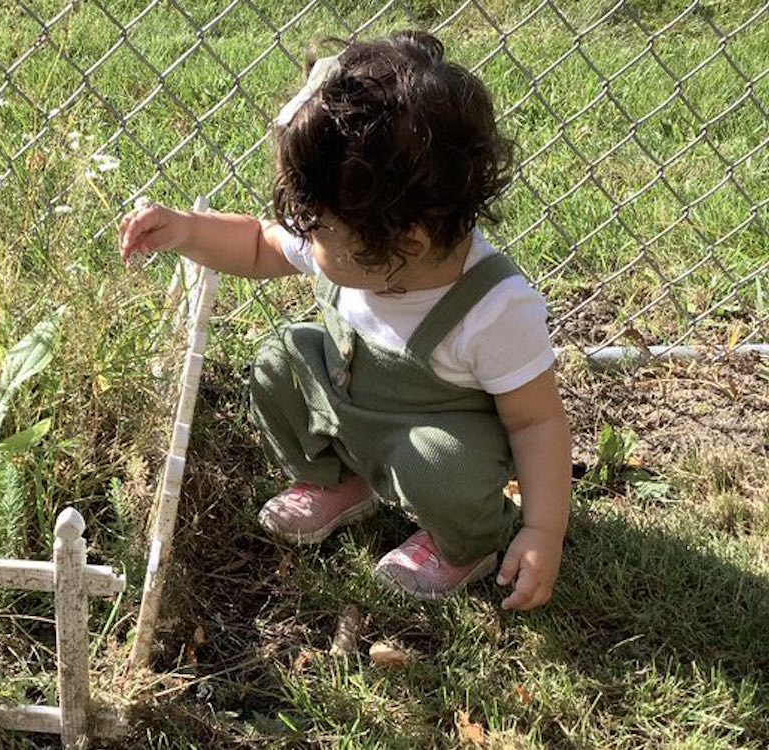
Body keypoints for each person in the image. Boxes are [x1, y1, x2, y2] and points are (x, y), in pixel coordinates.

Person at [118, 29, 571, 610]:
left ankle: (465, 544)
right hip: (347, 410)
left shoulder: (493, 307)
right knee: (279, 361)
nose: (304, 233)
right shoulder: (356, 235)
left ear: (405, 241)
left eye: (317, 228)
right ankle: (342, 482)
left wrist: (543, 532)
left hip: (432, 436)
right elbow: (258, 245)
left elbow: (537, 425)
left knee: (440, 468)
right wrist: (186, 230)